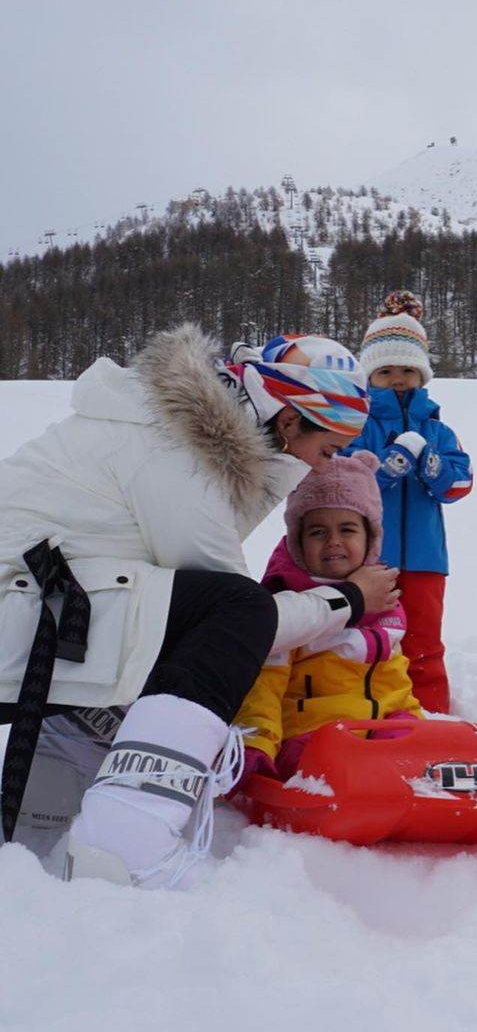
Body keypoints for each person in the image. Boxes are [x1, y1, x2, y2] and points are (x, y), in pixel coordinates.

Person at [0, 325, 396, 886]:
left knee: (177, 622)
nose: (322, 466)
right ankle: (123, 839)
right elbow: (245, 621)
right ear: (288, 423)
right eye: (325, 449)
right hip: (23, 616)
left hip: (42, 609)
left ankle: (55, 811)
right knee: (233, 616)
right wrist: (349, 599)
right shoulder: (177, 455)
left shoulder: (173, 432)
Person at [234, 452, 420, 790]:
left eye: (347, 529)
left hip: (381, 728)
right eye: (318, 532)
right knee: (335, 763)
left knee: (419, 755)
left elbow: (395, 682)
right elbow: (263, 689)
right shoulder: (291, 606)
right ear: (298, 542)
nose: (334, 541)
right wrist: (257, 743)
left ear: (370, 539)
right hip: (311, 735)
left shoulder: (385, 603)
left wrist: (411, 721)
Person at [342, 292, 473, 714]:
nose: (397, 379)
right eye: (386, 371)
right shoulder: (356, 426)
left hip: (425, 560)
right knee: (368, 640)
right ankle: (370, 712)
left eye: (407, 370)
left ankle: (431, 717)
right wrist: (389, 465)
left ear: (421, 374)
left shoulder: (438, 431)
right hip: (369, 560)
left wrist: (431, 465)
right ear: (370, 375)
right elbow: (345, 483)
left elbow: (461, 483)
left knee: (423, 644)